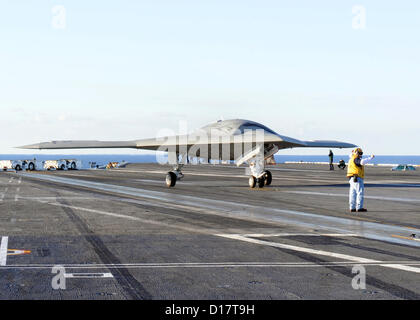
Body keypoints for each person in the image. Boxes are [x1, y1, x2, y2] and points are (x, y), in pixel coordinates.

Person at [347, 148, 375, 212]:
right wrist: (370, 158)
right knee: (360, 192)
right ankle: (359, 207)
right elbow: (362, 162)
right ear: (356, 153)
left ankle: (352, 207)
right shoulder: (355, 158)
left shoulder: (351, 158)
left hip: (351, 178)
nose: (360, 155)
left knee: (352, 193)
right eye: (360, 153)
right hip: (356, 178)